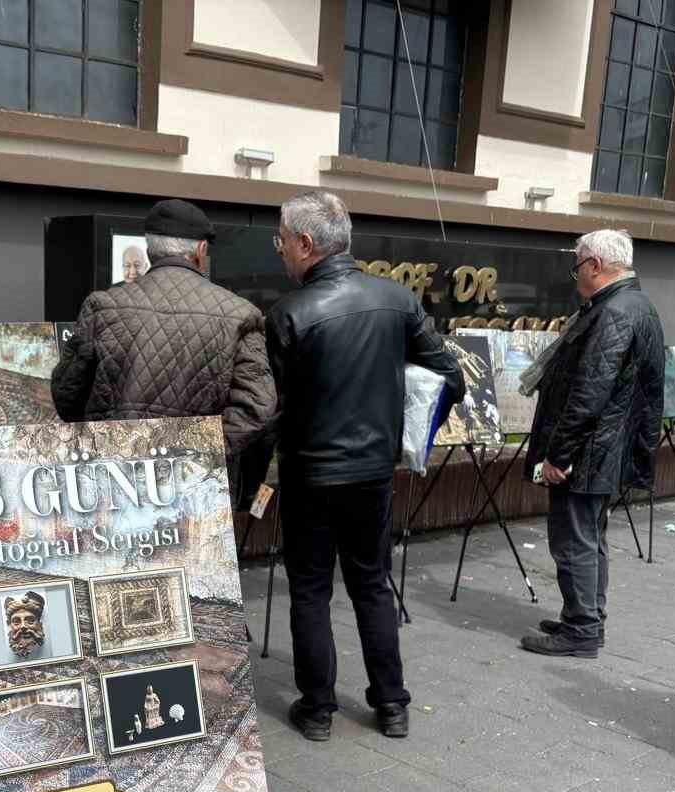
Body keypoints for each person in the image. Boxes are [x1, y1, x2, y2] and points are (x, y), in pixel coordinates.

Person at [265, 190, 463, 741]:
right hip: (373, 472)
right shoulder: (396, 301)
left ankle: (319, 707)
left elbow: (270, 406)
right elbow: (451, 376)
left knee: (310, 589)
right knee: (371, 584)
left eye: (281, 241)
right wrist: (407, 433)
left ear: (306, 244)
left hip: (310, 473)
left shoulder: (290, 313)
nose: (279, 251)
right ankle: (392, 704)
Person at [51, 199, 277, 490]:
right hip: (198, 484)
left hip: (117, 480)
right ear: (201, 251)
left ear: (149, 252)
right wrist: (197, 452)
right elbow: (257, 407)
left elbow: (67, 396)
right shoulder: (240, 315)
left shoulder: (103, 307)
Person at [521, 229, 665, 657]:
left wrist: (558, 455)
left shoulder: (615, 312)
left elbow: (589, 392)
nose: (575, 275)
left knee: (574, 539)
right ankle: (584, 616)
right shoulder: (632, 305)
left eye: (577, 265)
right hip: (605, 447)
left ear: (595, 266)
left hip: (589, 451)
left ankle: (581, 629)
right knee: (589, 536)